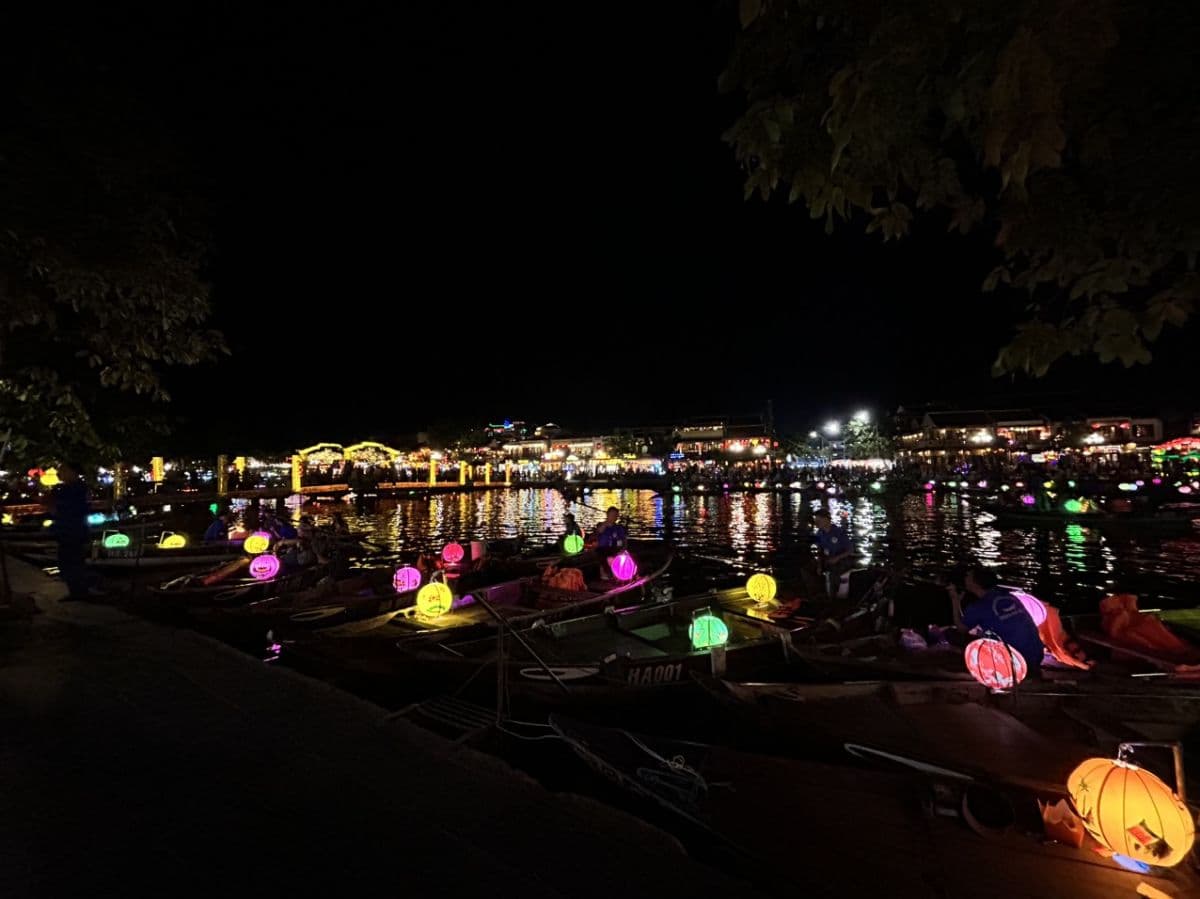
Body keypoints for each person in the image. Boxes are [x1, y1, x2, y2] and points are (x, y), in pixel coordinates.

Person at [948, 565, 1044, 673]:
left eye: (968, 576)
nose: (965, 579)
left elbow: (961, 628)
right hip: (1036, 655)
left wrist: (955, 601)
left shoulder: (980, 606)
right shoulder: (1010, 597)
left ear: (975, 583)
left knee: (952, 636)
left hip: (1014, 661)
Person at [50, 461, 90, 601]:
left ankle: (79, 592)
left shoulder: (76, 489)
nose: (59, 473)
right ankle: (76, 591)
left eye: (63, 470)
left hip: (73, 531)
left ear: (73, 472)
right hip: (68, 531)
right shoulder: (66, 489)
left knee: (73, 562)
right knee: (68, 562)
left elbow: (72, 510)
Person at [813, 510, 854, 575]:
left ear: (826, 519)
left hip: (842, 565)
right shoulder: (818, 534)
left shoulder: (839, 532)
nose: (817, 523)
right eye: (816, 521)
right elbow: (819, 550)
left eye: (819, 521)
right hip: (828, 563)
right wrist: (819, 566)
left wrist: (837, 558)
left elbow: (850, 550)